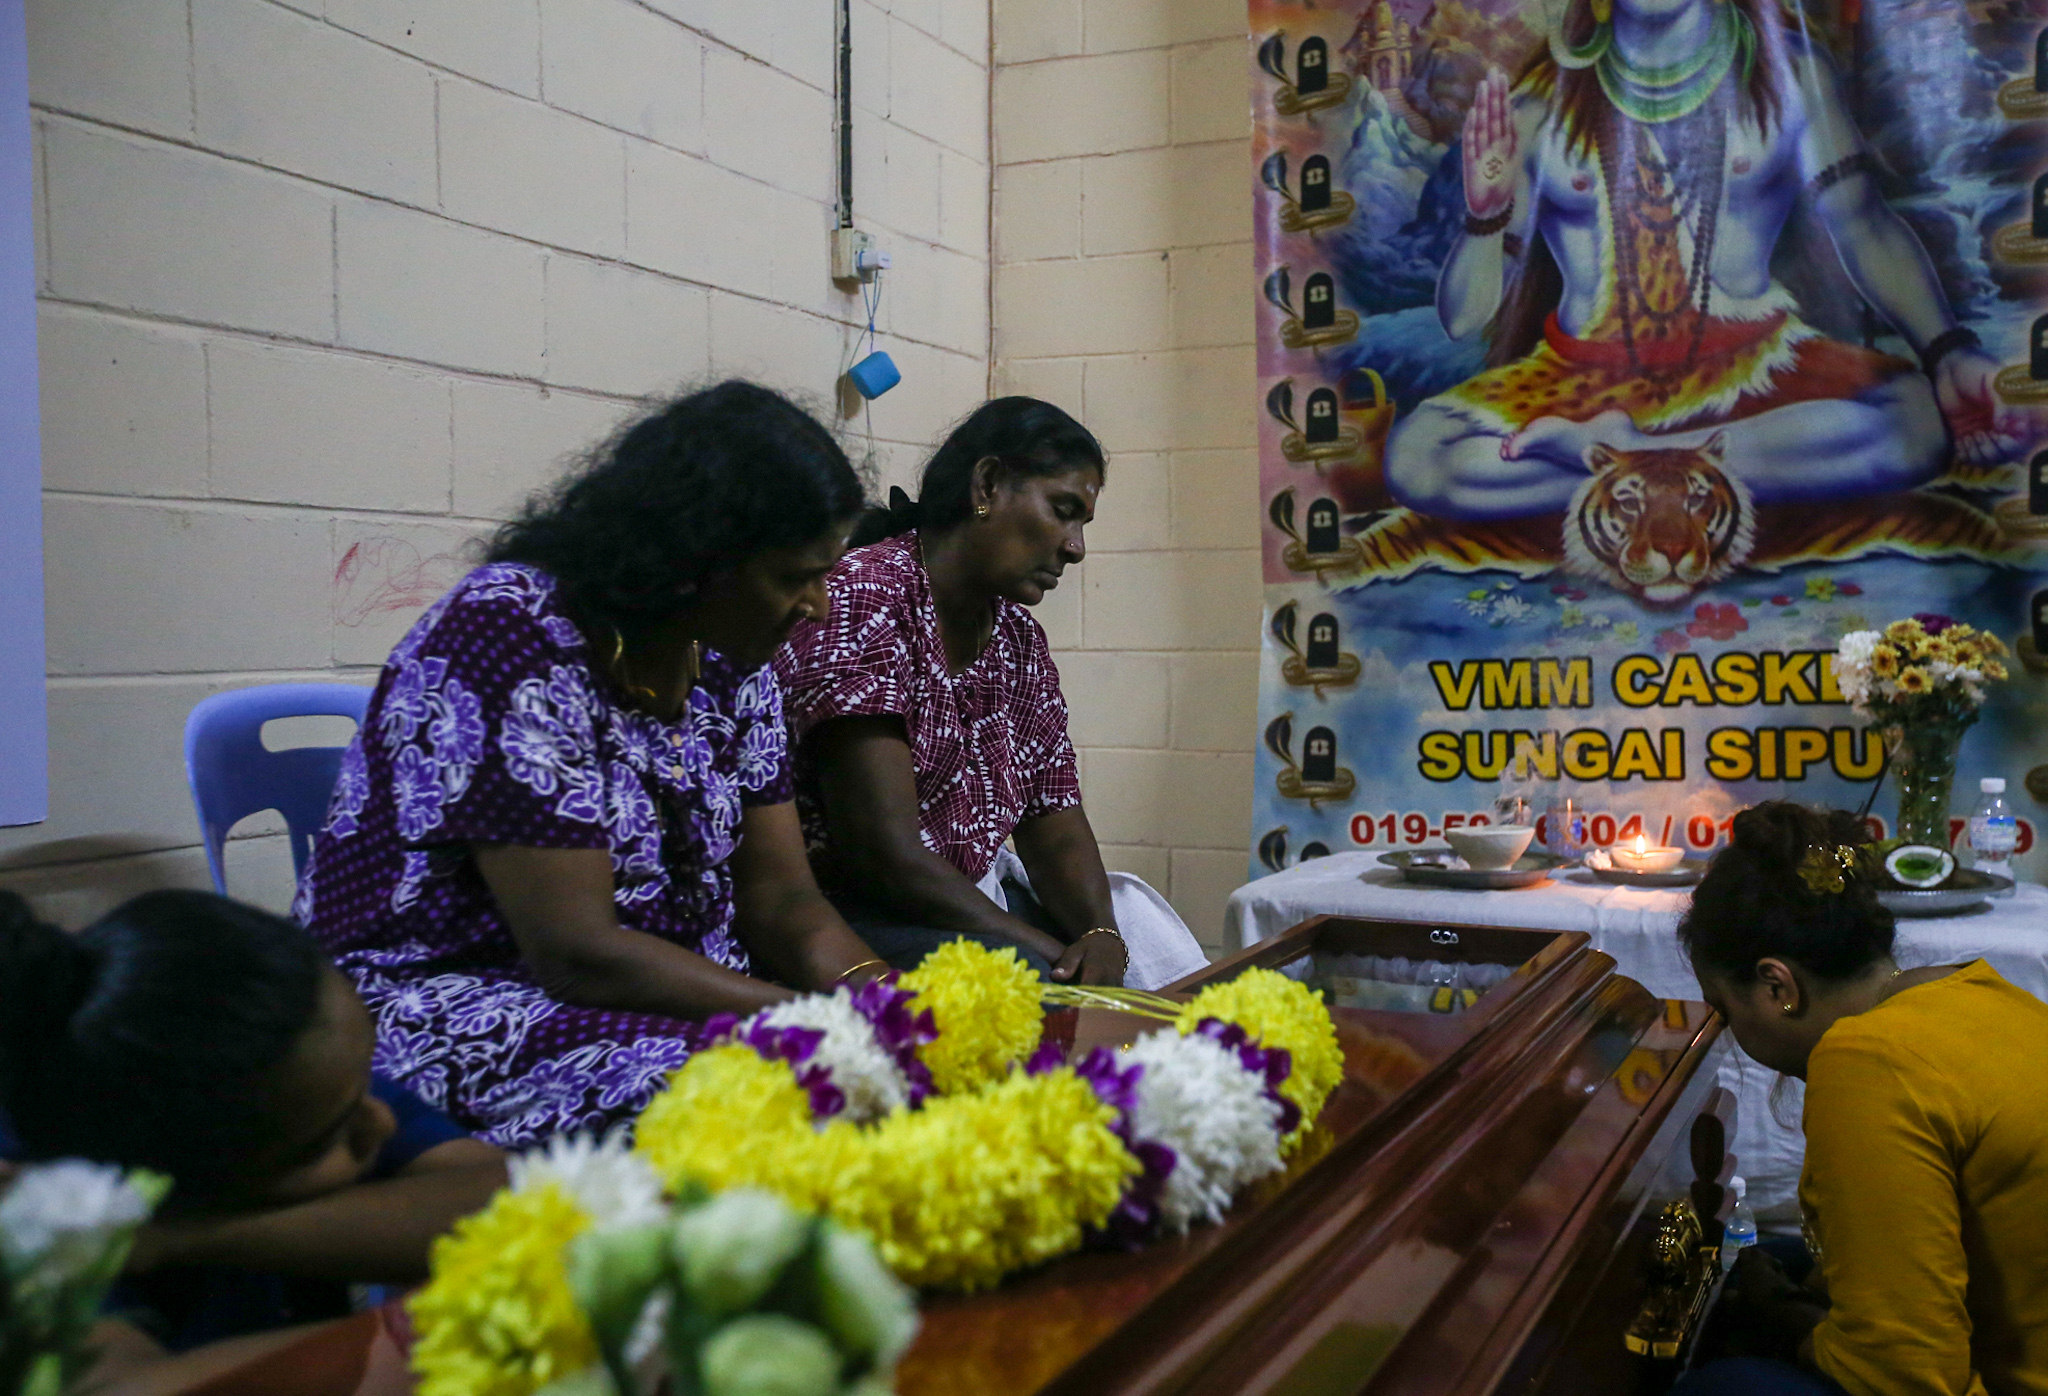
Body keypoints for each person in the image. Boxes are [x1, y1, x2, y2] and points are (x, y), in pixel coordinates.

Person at [296, 382, 886, 1147]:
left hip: (671, 997)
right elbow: (577, 952)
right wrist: (807, 1025)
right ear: (697, 561)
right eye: (794, 577)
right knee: (777, 1106)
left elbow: (784, 902)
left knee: (881, 1080)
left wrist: (889, 1010)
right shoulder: (510, 637)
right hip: (463, 1003)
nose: (819, 606)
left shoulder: (733, 664)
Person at [1385, 0, 2018, 521]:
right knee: (1420, 458)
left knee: (1913, 425)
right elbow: (1464, 319)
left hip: (1756, 369)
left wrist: (1947, 351)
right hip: (1581, 382)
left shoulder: (1793, 77)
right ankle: (1675, 468)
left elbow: (1861, 224)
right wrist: (1485, 216)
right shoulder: (1535, 109)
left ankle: (1616, 460)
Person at [773, 397, 1210, 990]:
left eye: (1082, 523)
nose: (1076, 547)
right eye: (1063, 511)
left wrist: (1101, 936)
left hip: (955, 902)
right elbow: (883, 855)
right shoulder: (867, 599)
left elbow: (1052, 816)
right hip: (852, 916)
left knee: (1137, 929)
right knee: (1031, 976)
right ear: (989, 485)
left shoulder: (1016, 639)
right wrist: (1036, 941)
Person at [0, 889, 505, 1367]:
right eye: (329, 1139)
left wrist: (179, 1236)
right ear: (176, 1178)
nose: (383, 1120)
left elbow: (514, 1203)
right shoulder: (48, 1216)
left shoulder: (300, 1084)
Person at [1671, 803, 2048, 1396]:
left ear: (1778, 987)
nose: (1728, 1030)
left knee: (1719, 1387)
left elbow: (1907, 1376)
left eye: (1724, 1008)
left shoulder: (1866, 1062)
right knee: (1783, 1264)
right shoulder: (1982, 991)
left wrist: (1786, 1324)